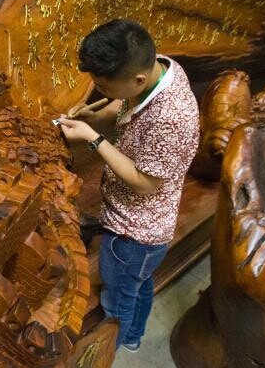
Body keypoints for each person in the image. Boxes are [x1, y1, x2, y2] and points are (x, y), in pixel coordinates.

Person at [57, 19, 199, 351]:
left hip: (135, 232)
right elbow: (124, 101)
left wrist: (93, 139)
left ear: (136, 79)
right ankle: (134, 333)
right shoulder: (158, 67)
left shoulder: (171, 119)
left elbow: (144, 183)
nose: (99, 92)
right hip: (141, 222)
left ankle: (117, 344)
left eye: (103, 86)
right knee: (138, 284)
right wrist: (97, 117)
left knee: (118, 293)